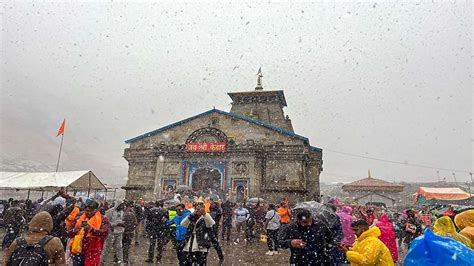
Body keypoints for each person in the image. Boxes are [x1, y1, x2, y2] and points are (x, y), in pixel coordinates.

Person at [68, 198, 110, 266]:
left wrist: (91, 230)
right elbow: (68, 233)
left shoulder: (103, 219)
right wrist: (74, 231)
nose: (89, 213)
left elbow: (104, 233)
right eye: (87, 211)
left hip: (93, 252)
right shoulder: (79, 217)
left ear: (96, 210)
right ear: (85, 209)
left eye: (92, 211)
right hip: (78, 251)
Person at [181, 201, 215, 265]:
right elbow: (183, 224)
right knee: (188, 263)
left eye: (200, 208)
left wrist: (204, 213)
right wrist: (191, 215)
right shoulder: (192, 217)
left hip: (201, 245)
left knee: (200, 263)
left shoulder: (206, 217)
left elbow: (211, 223)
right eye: (197, 208)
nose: (198, 210)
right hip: (189, 245)